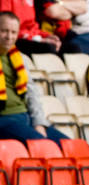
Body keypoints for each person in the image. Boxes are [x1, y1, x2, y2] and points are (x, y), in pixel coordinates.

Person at [0, 11, 67, 145]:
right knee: (44, 147)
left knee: (69, 145)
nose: (9, 37)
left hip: (25, 116)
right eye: (4, 31)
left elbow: (32, 93)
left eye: (13, 32)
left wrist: (39, 123)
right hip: (5, 119)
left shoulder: (21, 58)